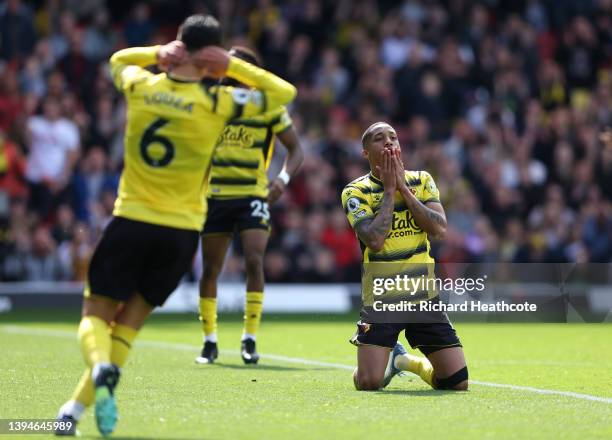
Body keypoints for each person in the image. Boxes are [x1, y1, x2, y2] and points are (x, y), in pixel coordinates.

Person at [54, 14, 296, 437]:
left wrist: (155, 54)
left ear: (177, 48)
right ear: (212, 60)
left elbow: (116, 61)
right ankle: (72, 412)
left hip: (131, 219)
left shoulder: (141, 87)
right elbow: (282, 93)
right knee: (128, 325)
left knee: (95, 315)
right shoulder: (219, 103)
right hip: (181, 234)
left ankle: (100, 370)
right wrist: (232, 67)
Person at [341, 122, 468, 392]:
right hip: (382, 298)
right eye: (379, 139)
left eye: (393, 137)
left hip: (423, 296)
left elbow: (439, 228)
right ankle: (385, 364)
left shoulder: (422, 180)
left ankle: (405, 361)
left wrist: (404, 190)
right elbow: (374, 240)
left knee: (457, 382)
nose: (389, 142)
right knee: (368, 382)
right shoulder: (355, 192)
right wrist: (389, 191)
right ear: (366, 153)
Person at [196, 46, 303, 365]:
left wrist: (282, 179)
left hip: (253, 195)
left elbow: (296, 150)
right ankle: (209, 340)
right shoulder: (214, 104)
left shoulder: (267, 106)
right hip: (216, 196)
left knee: (255, 260)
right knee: (211, 269)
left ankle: (249, 338)